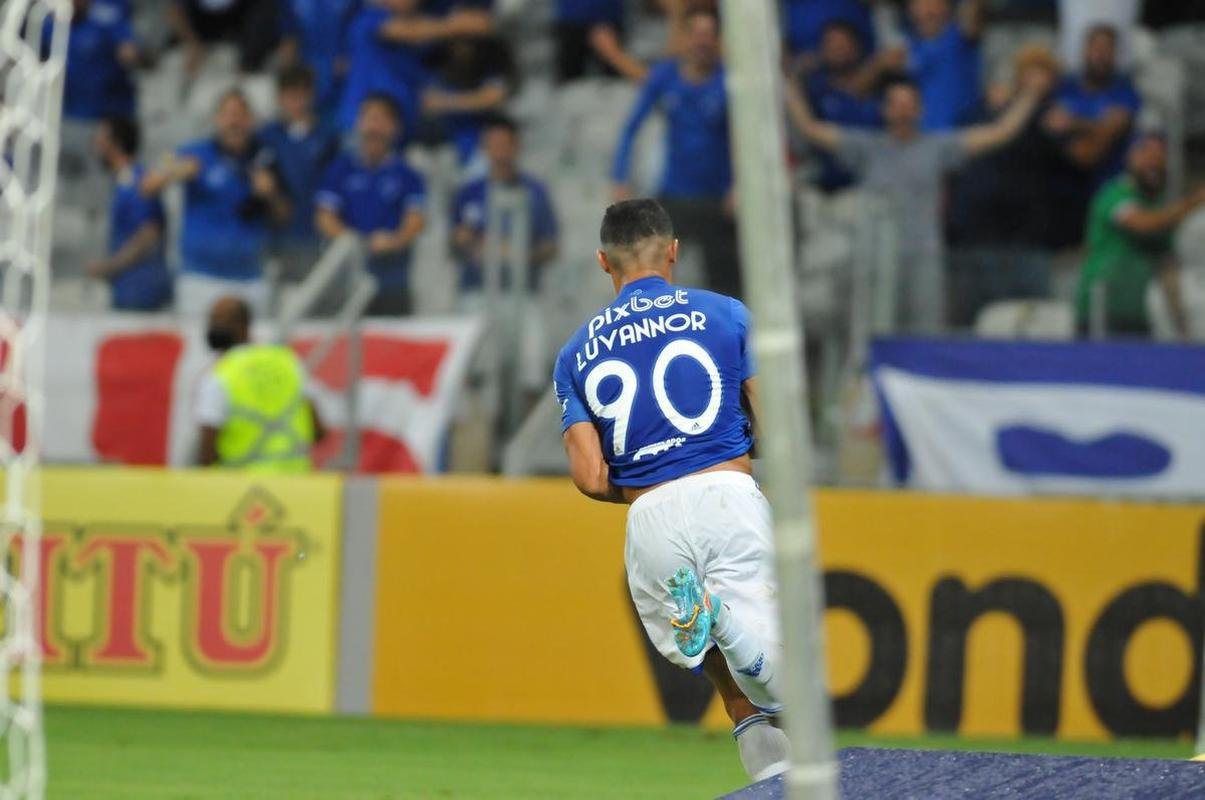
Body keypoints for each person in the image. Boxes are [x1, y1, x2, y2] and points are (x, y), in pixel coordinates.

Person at [553, 199, 788, 783]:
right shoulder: (728, 315)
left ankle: (717, 632)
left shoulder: (575, 354)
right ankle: (725, 623)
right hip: (726, 496)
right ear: (674, 250)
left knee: (735, 692)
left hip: (650, 519)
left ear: (604, 261)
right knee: (785, 684)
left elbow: (588, 476)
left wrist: (645, 481)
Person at [786, 73, 1047, 332]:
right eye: (896, 104)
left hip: (924, 260)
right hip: (876, 262)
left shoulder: (936, 148)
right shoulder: (866, 147)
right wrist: (787, 81)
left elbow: (1001, 132)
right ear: (885, 109)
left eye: (909, 104)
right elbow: (809, 128)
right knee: (873, 335)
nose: (902, 111)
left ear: (920, 109)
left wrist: (1030, 96)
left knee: (923, 334)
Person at [611, 9, 740, 298]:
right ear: (683, 38)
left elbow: (746, 137)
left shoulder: (729, 81)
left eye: (709, 35)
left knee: (724, 284)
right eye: (695, 34)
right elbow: (632, 127)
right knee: (659, 277)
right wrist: (620, 177)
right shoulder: (665, 77)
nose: (702, 42)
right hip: (673, 194)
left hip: (717, 198)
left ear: (718, 40)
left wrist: (739, 184)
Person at [945, 45, 1069, 327]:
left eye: (1045, 74)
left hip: (1028, 242)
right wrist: (998, 105)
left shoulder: (1052, 116)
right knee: (966, 329)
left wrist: (1053, 120)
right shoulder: (983, 108)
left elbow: (1067, 158)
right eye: (1032, 72)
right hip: (975, 238)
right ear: (1018, 75)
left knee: (1036, 325)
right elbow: (961, 141)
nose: (1038, 80)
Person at [142, 89, 293, 318]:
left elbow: (285, 215)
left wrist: (271, 194)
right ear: (216, 119)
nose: (234, 121)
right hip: (200, 279)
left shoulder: (265, 158)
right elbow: (147, 184)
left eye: (240, 115)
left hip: (249, 279)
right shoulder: (193, 152)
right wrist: (176, 171)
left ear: (250, 120)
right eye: (228, 114)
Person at [451, 116, 558, 401]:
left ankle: (523, 436)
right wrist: (473, 245)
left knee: (532, 365)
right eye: (493, 144)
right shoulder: (469, 192)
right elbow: (454, 242)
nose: (500, 150)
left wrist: (521, 253)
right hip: (478, 288)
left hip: (522, 289)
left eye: (505, 144)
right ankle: (479, 433)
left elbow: (550, 243)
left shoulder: (535, 191)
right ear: (484, 149)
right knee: (476, 369)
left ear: (516, 147)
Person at [1075, 134, 1201, 339]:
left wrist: (1180, 325)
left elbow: (1167, 267)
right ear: (1131, 157)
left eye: (1160, 158)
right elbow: (1143, 224)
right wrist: (1192, 202)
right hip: (1103, 310)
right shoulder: (1114, 194)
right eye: (1147, 155)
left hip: (1141, 313)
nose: (1154, 162)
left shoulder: (1160, 206)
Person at [316, 94, 427, 316]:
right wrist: (356, 243)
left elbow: (416, 219)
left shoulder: (408, 175)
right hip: (348, 279)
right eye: (368, 118)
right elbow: (324, 216)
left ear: (394, 127)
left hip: (392, 280)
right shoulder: (340, 169)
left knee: (393, 343)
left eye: (381, 119)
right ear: (358, 123)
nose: (373, 127)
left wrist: (395, 241)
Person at [196, 296, 326, 471]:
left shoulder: (219, 375)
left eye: (221, 320)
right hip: (295, 483)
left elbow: (206, 454)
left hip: (240, 489)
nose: (215, 326)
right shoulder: (287, 361)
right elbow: (319, 430)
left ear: (243, 324)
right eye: (213, 319)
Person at [258, 65, 341, 282]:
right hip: (280, 234)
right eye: (290, 96)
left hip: (319, 232)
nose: (296, 103)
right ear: (280, 99)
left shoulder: (328, 136)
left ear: (312, 96)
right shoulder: (266, 137)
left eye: (301, 96)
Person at [88, 116, 173, 312]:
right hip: (130, 285)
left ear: (116, 144)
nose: (95, 144)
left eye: (101, 138)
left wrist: (111, 266)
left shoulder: (136, 182)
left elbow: (149, 233)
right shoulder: (125, 181)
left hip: (140, 287)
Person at [1048, 25, 1141, 189]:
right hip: (1058, 180)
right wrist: (1094, 127)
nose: (1101, 54)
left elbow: (1108, 133)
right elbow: (1049, 124)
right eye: (1096, 47)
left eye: (1107, 48)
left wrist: (1073, 124)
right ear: (1085, 50)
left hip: (1107, 181)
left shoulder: (1124, 90)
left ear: (1115, 54)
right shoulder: (1064, 85)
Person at [801, 20, 884, 193]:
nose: (838, 50)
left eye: (843, 44)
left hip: (874, 185)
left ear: (857, 48)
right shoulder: (815, 91)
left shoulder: (880, 89)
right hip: (828, 188)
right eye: (831, 45)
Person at [904, 0, 985, 131]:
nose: (926, 9)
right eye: (920, 4)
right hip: (922, 138)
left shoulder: (960, 34)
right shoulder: (907, 44)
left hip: (963, 134)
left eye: (932, 4)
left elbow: (973, 12)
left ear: (946, 7)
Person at [278, 0, 362, 116]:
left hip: (342, 72)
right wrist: (290, 70)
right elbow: (288, 34)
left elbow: (361, 26)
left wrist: (351, 57)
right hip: (306, 68)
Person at [168, 0, 283, 76]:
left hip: (240, 44)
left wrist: (249, 61)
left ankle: (248, 67)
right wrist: (192, 44)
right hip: (199, 41)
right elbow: (173, 10)